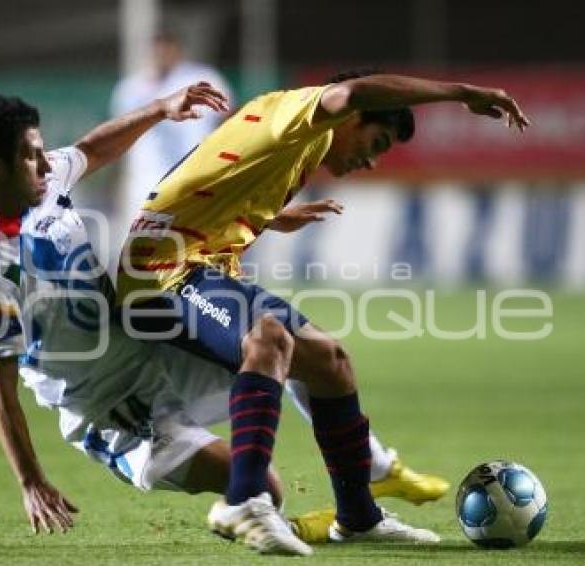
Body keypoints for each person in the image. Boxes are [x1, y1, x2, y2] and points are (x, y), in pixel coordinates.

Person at [0, 86, 442, 556]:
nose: (45, 161)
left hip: (150, 346)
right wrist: (31, 480)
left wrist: (161, 108)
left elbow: (90, 149)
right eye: (31, 155)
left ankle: (361, 510)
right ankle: (250, 501)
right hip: (111, 404)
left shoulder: (41, 180)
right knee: (266, 486)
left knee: (318, 356)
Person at [116, 70, 530, 555]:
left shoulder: (297, 145)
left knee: (331, 363)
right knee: (267, 337)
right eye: (375, 142)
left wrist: (267, 215)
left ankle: (358, 517)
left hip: (192, 269)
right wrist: (463, 91)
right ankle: (242, 499)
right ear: (350, 118)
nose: (372, 161)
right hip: (160, 275)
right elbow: (350, 92)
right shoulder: (299, 114)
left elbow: (206, 178)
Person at [109, 30, 233, 257]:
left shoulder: (204, 79)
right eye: (157, 47)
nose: (161, 53)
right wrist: (119, 183)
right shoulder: (130, 88)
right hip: (145, 184)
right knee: (142, 253)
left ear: (177, 49)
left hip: (194, 179)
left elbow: (229, 122)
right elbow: (121, 138)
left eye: (167, 46)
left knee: (198, 247)